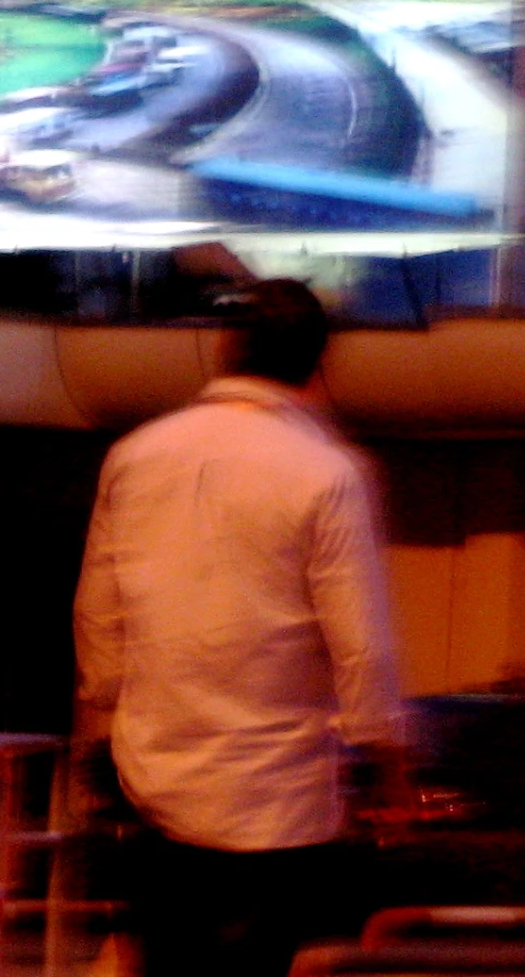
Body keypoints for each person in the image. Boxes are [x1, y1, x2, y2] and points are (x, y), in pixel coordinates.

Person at [73, 280, 410, 977]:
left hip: (154, 779)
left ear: (226, 350)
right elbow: (360, 640)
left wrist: (104, 726)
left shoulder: (135, 455)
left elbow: (98, 613)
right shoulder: (328, 472)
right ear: (318, 365)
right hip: (276, 795)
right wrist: (385, 757)